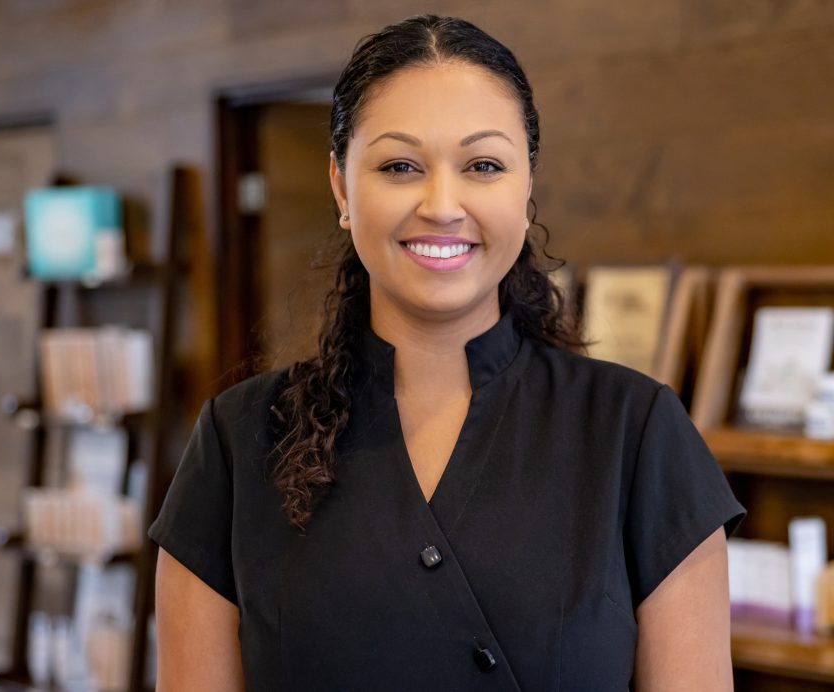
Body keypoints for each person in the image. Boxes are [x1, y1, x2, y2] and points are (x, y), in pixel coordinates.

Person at [151, 14, 745, 691]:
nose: (441, 204)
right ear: (343, 187)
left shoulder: (636, 434)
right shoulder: (238, 441)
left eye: (483, 165)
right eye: (400, 165)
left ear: (527, 189)